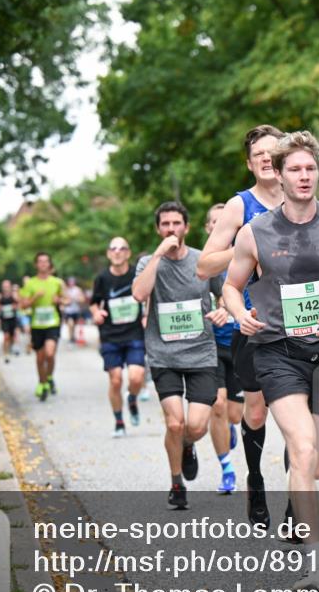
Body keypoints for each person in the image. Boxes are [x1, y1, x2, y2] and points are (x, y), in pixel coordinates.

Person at [223, 130, 319, 592]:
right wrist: (239, 315)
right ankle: (314, 562)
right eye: (294, 169)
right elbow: (231, 286)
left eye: (310, 168)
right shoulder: (255, 232)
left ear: (318, 171)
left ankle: (298, 494)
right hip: (278, 353)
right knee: (303, 448)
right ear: (279, 173)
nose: (304, 176)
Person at [197, 124, 284, 527]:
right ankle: (256, 479)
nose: (267, 158)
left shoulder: (304, 196)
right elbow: (204, 266)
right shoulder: (239, 206)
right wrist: (248, 247)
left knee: (296, 415)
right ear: (250, 164)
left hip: (300, 325)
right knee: (255, 412)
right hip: (253, 323)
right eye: (259, 155)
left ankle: (296, 497)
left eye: (273, 151)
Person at [133, 201, 228, 510]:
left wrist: (223, 310)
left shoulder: (203, 260)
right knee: (174, 423)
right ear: (158, 229)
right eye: (165, 224)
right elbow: (139, 294)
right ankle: (177, 484)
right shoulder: (149, 262)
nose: (171, 229)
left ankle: (188, 445)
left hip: (201, 352)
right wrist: (159, 254)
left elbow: (225, 293)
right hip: (163, 354)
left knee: (197, 426)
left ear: (186, 227)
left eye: (176, 223)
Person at [90, 237, 146, 438]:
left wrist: (147, 315)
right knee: (115, 381)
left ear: (128, 253)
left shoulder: (136, 274)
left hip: (134, 333)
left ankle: (132, 397)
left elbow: (148, 296)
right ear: (108, 253)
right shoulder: (102, 278)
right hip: (110, 335)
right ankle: (119, 421)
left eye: (122, 248)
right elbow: (94, 302)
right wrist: (96, 313)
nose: (117, 252)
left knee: (136, 377)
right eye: (113, 249)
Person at [205, 204, 242, 494]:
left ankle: (229, 426)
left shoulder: (249, 257)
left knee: (237, 415)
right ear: (209, 229)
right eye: (214, 223)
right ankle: (227, 468)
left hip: (242, 343)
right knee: (216, 406)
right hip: (211, 346)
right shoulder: (202, 265)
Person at [18, 253, 67, 401]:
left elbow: (67, 299)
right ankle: (42, 383)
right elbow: (22, 305)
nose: (43, 264)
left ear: (50, 264)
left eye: (46, 261)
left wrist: (59, 300)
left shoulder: (57, 282)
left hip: (53, 323)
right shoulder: (30, 284)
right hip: (37, 325)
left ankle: (49, 376)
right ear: (36, 265)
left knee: (50, 354)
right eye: (40, 262)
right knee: (40, 358)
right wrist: (35, 298)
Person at [0, 280, 19, 362]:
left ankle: (11, 347)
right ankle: (6, 355)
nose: (6, 288)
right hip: (4, 320)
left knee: (12, 337)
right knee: (6, 336)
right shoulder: (0, 297)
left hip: (13, 319)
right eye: (4, 287)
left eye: (7, 286)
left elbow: (19, 304)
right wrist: (0, 308)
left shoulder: (13, 296)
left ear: (10, 287)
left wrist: (14, 305)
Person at [63, 277, 86, 344]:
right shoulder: (66, 290)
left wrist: (77, 299)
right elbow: (63, 300)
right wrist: (66, 302)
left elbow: (82, 299)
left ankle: (73, 336)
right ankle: (70, 338)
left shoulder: (78, 290)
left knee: (74, 325)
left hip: (76, 310)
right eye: (70, 282)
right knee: (70, 324)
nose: (71, 283)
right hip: (68, 310)